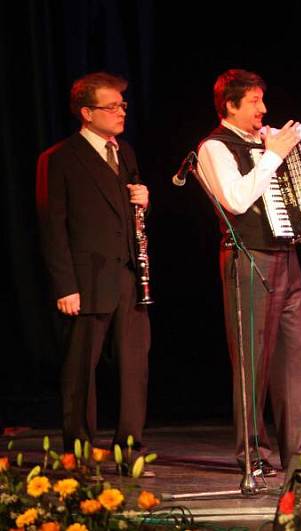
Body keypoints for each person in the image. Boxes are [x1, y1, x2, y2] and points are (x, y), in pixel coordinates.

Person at [195, 69, 301, 474]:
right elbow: (237, 200)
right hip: (248, 257)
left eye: (262, 100)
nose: (263, 109)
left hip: (287, 255)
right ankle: (255, 454)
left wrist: (299, 133)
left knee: (296, 359)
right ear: (230, 106)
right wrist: (274, 154)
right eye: (254, 102)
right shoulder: (213, 148)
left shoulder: (266, 136)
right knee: (252, 361)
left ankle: (299, 453)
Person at [36, 72, 151, 451]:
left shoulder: (125, 151)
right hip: (86, 278)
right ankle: (80, 446)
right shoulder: (60, 158)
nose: (121, 112)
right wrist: (65, 285)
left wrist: (144, 200)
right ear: (87, 112)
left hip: (128, 274)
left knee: (135, 365)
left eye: (123, 105)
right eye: (112, 106)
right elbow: (53, 227)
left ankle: (129, 444)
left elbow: (126, 215)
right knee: (81, 368)